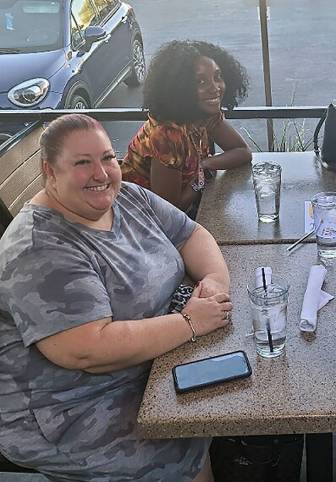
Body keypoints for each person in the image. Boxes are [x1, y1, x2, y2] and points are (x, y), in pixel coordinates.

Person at [0, 113, 234, 481]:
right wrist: (190, 322)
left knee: (238, 389)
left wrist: (215, 281)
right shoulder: (39, 248)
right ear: (50, 171)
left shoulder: (125, 196)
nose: (101, 173)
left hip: (153, 360)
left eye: (107, 157)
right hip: (74, 403)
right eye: (82, 163)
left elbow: (190, 234)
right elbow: (87, 351)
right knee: (181, 447)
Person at [121, 40, 252, 218]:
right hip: (140, 218)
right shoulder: (167, 135)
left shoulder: (204, 114)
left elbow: (242, 152)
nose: (215, 88)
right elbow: (170, 212)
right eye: (201, 82)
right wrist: (199, 179)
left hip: (183, 213)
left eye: (217, 76)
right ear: (180, 88)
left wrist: (205, 165)